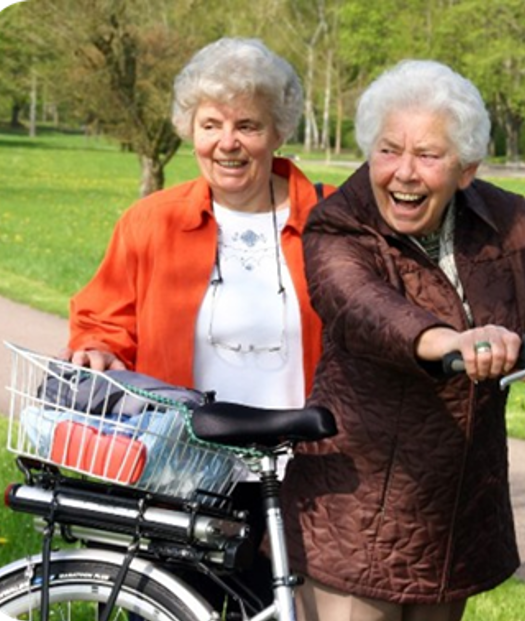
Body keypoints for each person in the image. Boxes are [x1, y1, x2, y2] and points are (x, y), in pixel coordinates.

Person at [281, 59, 525, 621]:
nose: (403, 173)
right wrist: (450, 341)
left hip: (455, 514)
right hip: (356, 513)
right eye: (388, 150)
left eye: (428, 156)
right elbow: (364, 308)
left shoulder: (505, 219)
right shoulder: (338, 224)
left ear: (466, 169)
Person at [63, 37, 334, 614]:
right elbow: (102, 317)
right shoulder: (152, 222)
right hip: (181, 471)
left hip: (302, 476)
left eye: (247, 125)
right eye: (211, 125)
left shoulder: (329, 221)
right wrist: (97, 346)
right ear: (191, 129)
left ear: (277, 131)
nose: (227, 143)